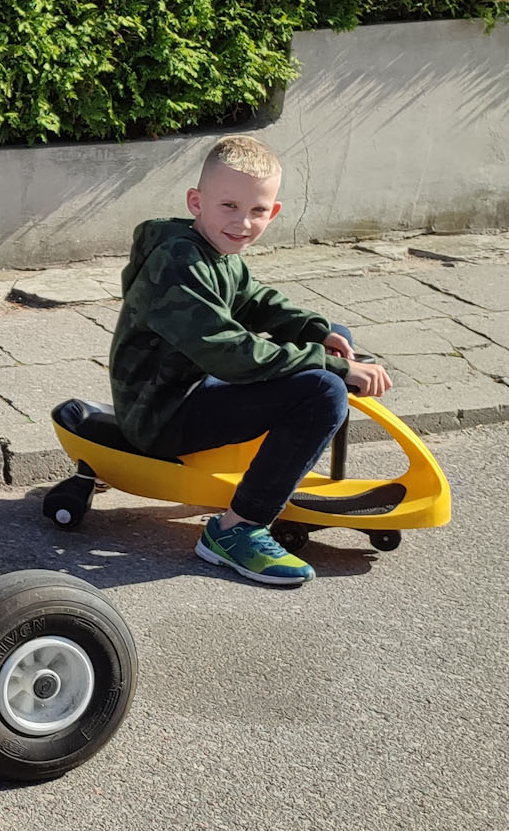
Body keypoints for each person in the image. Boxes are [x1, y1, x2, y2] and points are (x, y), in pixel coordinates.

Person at [110, 135, 392, 587]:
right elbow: (231, 353)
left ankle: (281, 467)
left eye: (257, 210)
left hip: (191, 387)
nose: (242, 222)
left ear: (273, 212)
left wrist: (317, 331)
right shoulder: (178, 263)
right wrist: (334, 367)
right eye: (229, 206)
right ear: (197, 202)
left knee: (334, 343)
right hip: (160, 414)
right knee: (322, 391)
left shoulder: (216, 252)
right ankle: (236, 530)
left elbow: (256, 301)